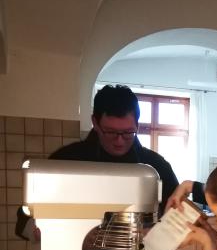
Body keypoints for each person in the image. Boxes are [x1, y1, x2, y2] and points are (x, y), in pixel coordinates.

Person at [16, 84, 179, 240]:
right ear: (95, 122)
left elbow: (179, 217)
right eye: (110, 132)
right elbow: (25, 222)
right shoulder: (66, 161)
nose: (120, 141)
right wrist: (45, 231)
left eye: (128, 132)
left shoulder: (155, 167)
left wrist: (161, 232)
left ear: (137, 125)